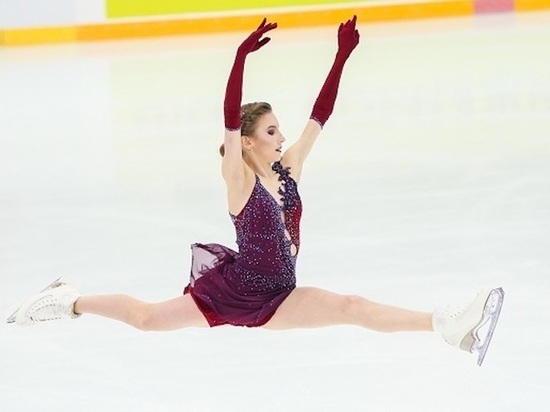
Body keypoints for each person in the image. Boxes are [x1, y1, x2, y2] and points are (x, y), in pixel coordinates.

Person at [8, 17, 503, 365]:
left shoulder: (288, 172)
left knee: (351, 307)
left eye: (279, 130)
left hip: (278, 296)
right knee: (145, 319)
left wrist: (341, 57)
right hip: (234, 291)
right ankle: (69, 300)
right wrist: (240, 57)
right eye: (270, 131)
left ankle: (449, 326)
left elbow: (320, 116)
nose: (281, 137)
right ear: (247, 142)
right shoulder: (238, 180)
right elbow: (229, 119)